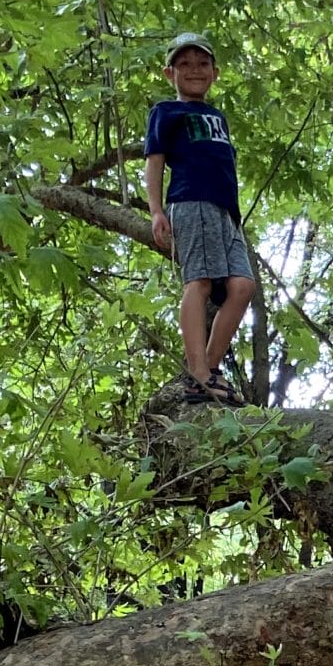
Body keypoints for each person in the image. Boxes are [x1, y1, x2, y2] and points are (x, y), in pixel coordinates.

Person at [145, 32, 254, 403]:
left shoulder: (216, 116)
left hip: (225, 212)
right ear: (169, 73)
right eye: (184, 64)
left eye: (202, 63)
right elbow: (155, 161)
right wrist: (156, 210)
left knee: (242, 287)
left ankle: (206, 369)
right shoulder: (167, 112)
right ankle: (199, 370)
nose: (194, 70)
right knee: (201, 281)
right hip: (191, 202)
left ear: (215, 73)